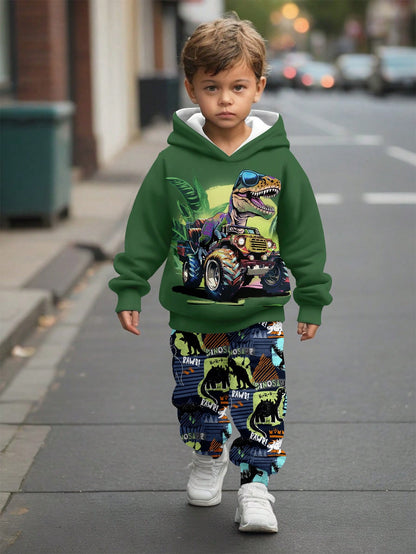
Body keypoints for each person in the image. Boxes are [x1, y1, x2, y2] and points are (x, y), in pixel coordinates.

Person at [109, 15, 332, 534]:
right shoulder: (171, 163)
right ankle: (209, 458)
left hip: (261, 310)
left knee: (261, 398)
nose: (225, 100)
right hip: (193, 312)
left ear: (259, 86)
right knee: (198, 396)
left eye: (237, 87)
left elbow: (302, 233)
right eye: (211, 88)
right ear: (191, 88)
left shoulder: (278, 161)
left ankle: (255, 487)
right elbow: (146, 229)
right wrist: (130, 287)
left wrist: (313, 297)